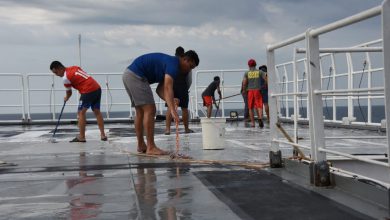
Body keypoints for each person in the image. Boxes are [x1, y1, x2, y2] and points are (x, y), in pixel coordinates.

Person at [122, 51, 199, 155]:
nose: (189, 70)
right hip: (136, 75)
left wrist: (171, 101)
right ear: (185, 59)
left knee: (140, 111)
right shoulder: (174, 65)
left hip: (129, 74)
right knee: (150, 109)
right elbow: (168, 87)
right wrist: (172, 110)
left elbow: (160, 90)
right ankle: (151, 147)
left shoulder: (170, 65)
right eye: (190, 67)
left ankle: (141, 145)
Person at [50, 61, 107, 142]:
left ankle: (82, 137)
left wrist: (66, 97)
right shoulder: (74, 67)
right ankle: (103, 135)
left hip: (87, 91)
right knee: (97, 111)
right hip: (97, 88)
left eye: (56, 72)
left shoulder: (65, 78)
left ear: (60, 68)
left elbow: (69, 93)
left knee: (81, 113)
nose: (57, 75)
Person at [165, 46, 194, 135]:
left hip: (171, 86)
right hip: (183, 86)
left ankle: (167, 129)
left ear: (175, 53)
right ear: (183, 54)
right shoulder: (186, 62)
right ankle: (186, 129)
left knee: (170, 107)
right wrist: (186, 88)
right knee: (184, 108)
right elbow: (189, 79)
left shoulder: (171, 62)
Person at [242, 59, 265, 128]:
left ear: (249, 65)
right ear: (255, 64)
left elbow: (244, 83)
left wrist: (244, 90)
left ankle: (253, 123)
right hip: (258, 90)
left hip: (250, 91)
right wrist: (264, 85)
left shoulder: (247, 73)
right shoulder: (260, 72)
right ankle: (260, 118)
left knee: (250, 108)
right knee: (259, 106)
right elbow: (266, 79)